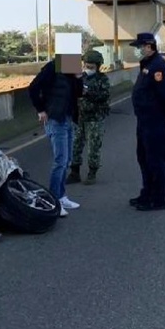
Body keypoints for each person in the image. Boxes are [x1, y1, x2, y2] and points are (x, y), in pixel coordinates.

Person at [27, 56, 84, 217]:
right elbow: (33, 88)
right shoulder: (52, 67)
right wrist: (40, 110)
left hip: (68, 118)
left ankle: (62, 196)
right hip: (55, 118)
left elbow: (78, 94)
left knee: (67, 160)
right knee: (60, 160)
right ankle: (54, 200)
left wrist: (78, 78)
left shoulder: (71, 69)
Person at [129, 32, 165, 211]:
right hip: (144, 119)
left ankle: (157, 199)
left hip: (155, 119)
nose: (138, 50)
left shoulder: (158, 66)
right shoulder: (147, 64)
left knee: (155, 159)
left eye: (139, 47)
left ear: (149, 46)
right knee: (143, 157)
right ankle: (147, 192)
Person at [67, 50, 111, 186]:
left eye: (92, 66)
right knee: (75, 145)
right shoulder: (80, 77)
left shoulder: (102, 80)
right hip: (79, 118)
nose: (88, 68)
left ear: (98, 66)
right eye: (87, 65)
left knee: (93, 147)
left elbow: (104, 96)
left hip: (94, 119)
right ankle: (74, 172)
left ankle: (92, 173)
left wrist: (88, 92)